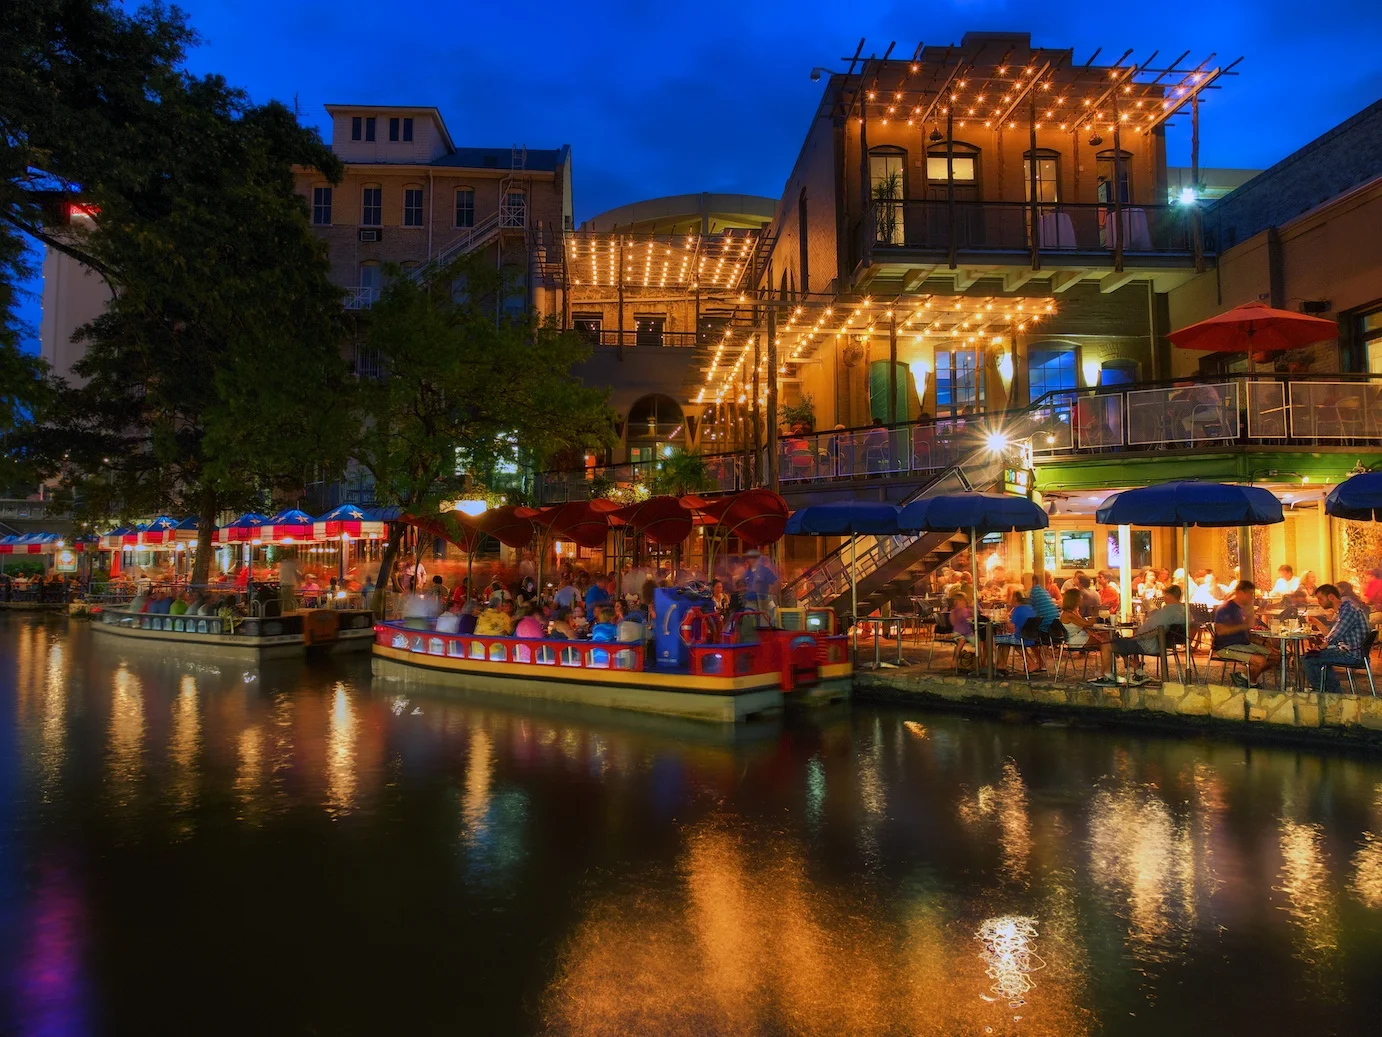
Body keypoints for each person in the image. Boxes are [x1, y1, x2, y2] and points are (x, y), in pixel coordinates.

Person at [1111, 585, 1187, 684]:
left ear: (1169, 596)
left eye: (1165, 595)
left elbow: (1153, 629)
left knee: (1113, 643)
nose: (1164, 598)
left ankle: (1130, 665)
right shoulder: (1184, 611)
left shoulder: (1167, 611)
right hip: (1167, 643)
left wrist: (1138, 635)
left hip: (1149, 644)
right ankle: (1137, 669)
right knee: (1124, 641)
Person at [1302, 584, 1370, 694]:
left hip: (1352, 654)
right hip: (1350, 650)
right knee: (1317, 656)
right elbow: (1332, 634)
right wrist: (1317, 623)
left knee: (1309, 658)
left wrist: (1319, 648)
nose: (1318, 602)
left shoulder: (1349, 610)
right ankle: (1331, 690)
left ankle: (1325, 691)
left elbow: (1334, 636)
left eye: (1320, 598)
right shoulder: (1344, 609)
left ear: (1331, 597)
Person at [1211, 580, 1277, 688]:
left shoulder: (1241, 609)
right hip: (1226, 646)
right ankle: (1252, 683)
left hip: (1243, 644)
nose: (1252, 597)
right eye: (1250, 594)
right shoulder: (1225, 609)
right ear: (1241, 593)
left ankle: (1244, 677)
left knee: (1277, 656)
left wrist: (1263, 642)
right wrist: (1244, 625)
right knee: (1260, 660)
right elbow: (1221, 631)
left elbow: (1247, 631)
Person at [1059, 588, 1117, 685]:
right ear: (1074, 599)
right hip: (1076, 640)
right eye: (1080, 597)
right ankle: (1107, 673)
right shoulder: (1068, 614)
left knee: (1107, 639)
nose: (1082, 599)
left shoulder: (1074, 611)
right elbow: (1085, 624)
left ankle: (1107, 672)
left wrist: (1095, 635)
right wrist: (1097, 617)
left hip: (1081, 636)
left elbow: (1085, 626)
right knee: (1106, 642)